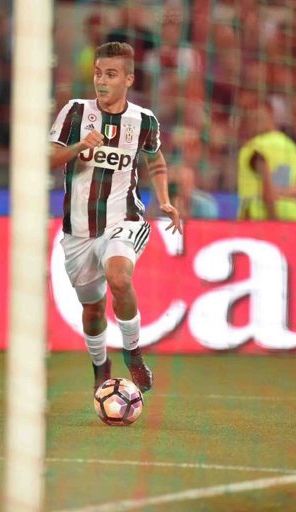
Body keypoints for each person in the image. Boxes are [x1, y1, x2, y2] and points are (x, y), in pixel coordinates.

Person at [49, 42, 181, 393]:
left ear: (128, 79)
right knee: (93, 309)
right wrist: (80, 146)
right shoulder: (75, 112)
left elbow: (155, 159)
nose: (101, 81)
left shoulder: (143, 121)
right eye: (97, 74)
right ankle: (100, 366)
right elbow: (46, 159)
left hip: (124, 220)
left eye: (110, 74)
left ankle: (133, 353)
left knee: (119, 278)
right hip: (78, 230)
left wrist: (165, 200)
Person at [237, 103, 296, 221]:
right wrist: (281, 193)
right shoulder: (290, 146)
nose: (252, 122)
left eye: (256, 118)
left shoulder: (257, 147)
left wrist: (273, 221)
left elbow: (267, 191)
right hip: (291, 215)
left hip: (260, 216)